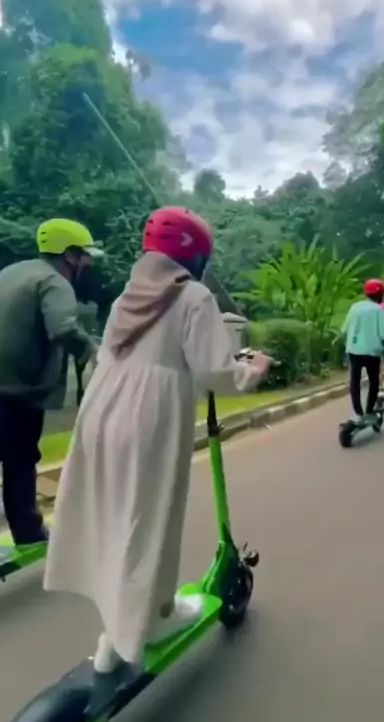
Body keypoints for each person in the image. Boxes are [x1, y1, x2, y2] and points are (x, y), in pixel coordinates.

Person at [44, 206, 272, 674]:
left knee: (113, 518)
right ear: (196, 257)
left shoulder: (128, 296)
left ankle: (115, 630)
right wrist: (254, 369)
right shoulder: (193, 296)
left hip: (100, 412)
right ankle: (151, 621)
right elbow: (216, 372)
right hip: (146, 419)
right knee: (149, 521)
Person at [0, 218, 99, 546]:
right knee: (20, 460)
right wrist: (91, 351)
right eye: (84, 255)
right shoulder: (55, 282)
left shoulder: (13, 272)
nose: (88, 263)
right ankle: (28, 532)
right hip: (18, 391)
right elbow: (63, 329)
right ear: (69, 255)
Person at [341, 279, 384, 421]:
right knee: (374, 381)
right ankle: (369, 409)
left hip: (354, 350)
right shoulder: (379, 309)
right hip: (372, 352)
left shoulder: (355, 307)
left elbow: (344, 329)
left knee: (355, 380)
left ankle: (358, 411)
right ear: (380, 294)